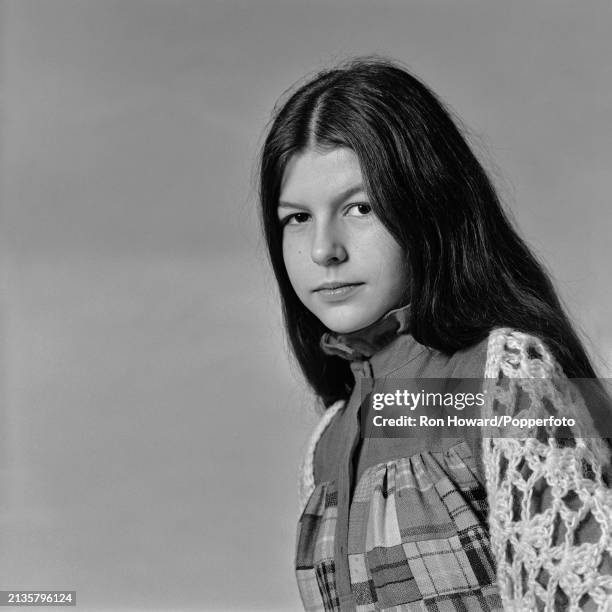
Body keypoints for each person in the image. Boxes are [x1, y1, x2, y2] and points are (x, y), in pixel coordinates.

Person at [258, 56, 612, 611]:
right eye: (296, 218)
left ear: (426, 205)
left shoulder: (500, 377)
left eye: (359, 207)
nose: (324, 249)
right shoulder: (328, 441)